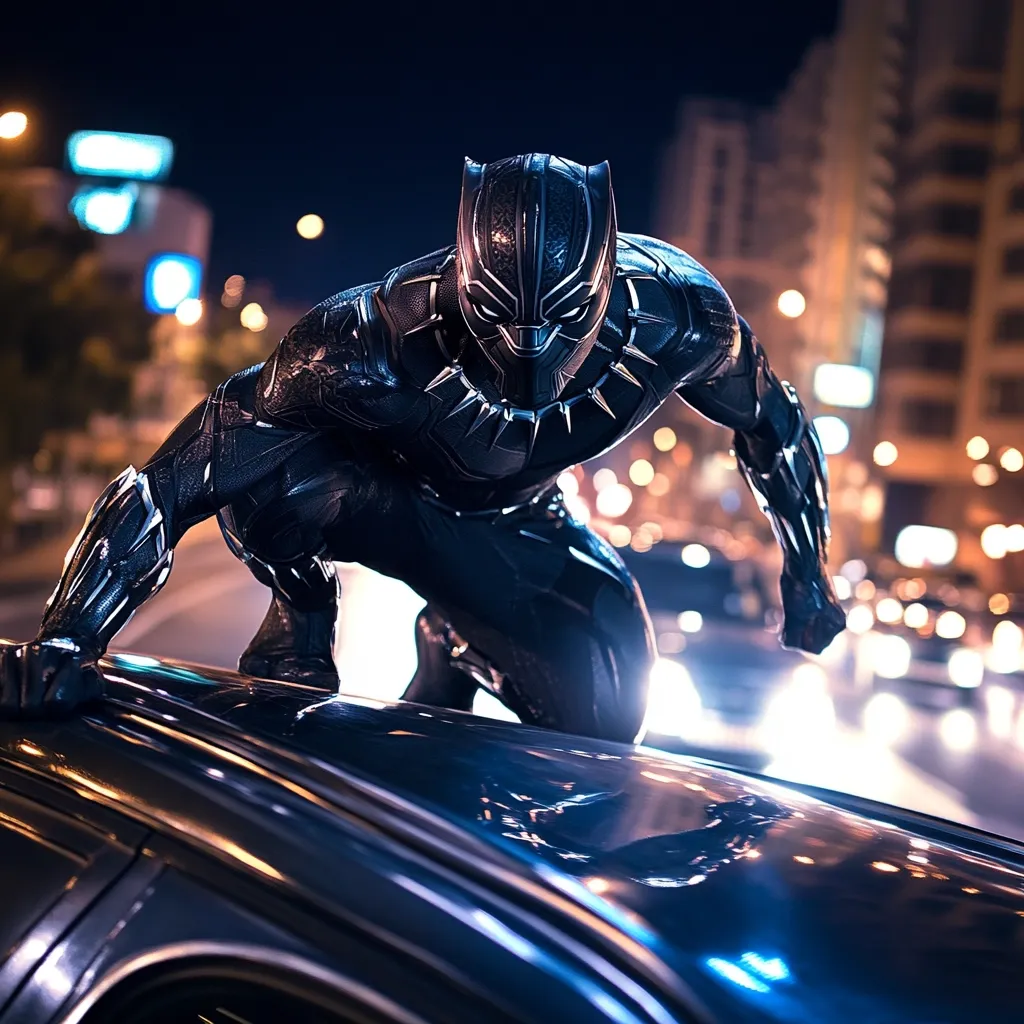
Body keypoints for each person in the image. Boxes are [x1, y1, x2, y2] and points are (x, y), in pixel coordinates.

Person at [0, 154, 845, 741]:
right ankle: (302, 615)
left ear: (604, 281)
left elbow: (776, 420)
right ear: (465, 272)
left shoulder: (680, 317)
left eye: (557, 324)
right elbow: (178, 476)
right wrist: (73, 638)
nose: (528, 354)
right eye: (500, 319)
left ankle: (452, 638)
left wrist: (809, 573)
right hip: (383, 502)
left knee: (607, 715)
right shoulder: (365, 341)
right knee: (271, 464)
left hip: (524, 524)